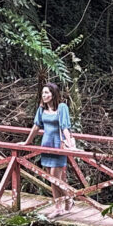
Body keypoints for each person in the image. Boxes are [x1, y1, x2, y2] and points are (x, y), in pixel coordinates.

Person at [29, 82, 76, 217]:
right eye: (43, 93)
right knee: (51, 179)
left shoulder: (62, 107)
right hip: (46, 146)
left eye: (47, 93)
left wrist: (70, 145)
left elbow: (65, 127)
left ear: (54, 94)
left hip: (58, 146)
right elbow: (36, 127)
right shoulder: (41, 109)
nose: (44, 95)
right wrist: (27, 141)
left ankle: (65, 200)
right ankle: (61, 205)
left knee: (55, 177)